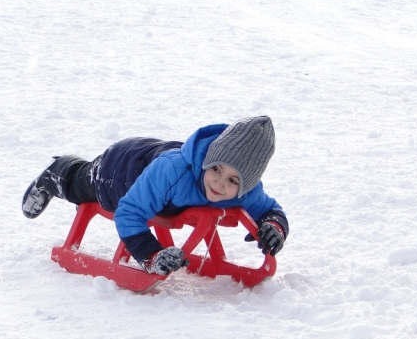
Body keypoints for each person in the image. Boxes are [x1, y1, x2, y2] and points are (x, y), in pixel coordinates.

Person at [22, 116, 289, 276]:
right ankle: (58, 171)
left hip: (155, 163)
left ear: (247, 184)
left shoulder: (248, 192)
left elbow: (270, 209)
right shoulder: (171, 172)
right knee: (83, 185)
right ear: (207, 159)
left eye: (232, 180)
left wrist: (273, 227)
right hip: (121, 171)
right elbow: (129, 212)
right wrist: (151, 255)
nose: (219, 183)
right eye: (215, 169)